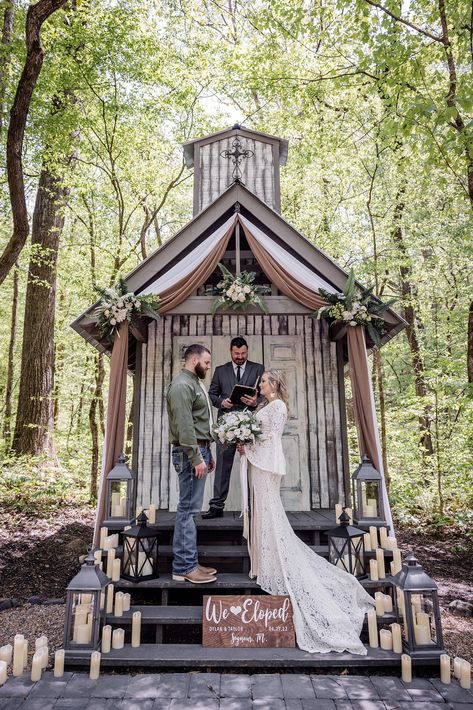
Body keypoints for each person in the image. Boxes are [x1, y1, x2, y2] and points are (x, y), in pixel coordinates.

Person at [237, 370, 375, 654]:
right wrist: (244, 440)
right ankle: (264, 562)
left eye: (263, 380)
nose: (259, 384)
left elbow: (268, 437)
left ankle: (274, 564)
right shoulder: (265, 405)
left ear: (274, 384)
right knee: (264, 514)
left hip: (265, 466)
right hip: (259, 465)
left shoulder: (276, 406)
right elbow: (259, 434)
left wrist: (246, 445)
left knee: (269, 514)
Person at [166, 344, 217, 584]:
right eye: (206, 362)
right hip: (190, 454)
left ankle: (190, 562)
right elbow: (185, 426)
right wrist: (196, 457)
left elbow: (198, 423)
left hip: (200, 450)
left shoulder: (195, 384)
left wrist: (208, 453)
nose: (208, 366)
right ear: (194, 359)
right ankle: (184, 567)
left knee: (191, 510)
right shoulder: (181, 385)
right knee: (187, 510)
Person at [203, 336, 264, 519]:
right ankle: (216, 506)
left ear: (247, 351)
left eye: (243, 353)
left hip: (250, 424)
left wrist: (256, 401)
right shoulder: (220, 371)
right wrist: (222, 402)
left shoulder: (258, 368)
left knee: (253, 463)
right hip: (226, 425)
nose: (240, 356)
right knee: (223, 466)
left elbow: (265, 395)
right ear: (231, 351)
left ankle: (252, 505)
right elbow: (211, 394)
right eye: (237, 353)